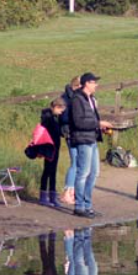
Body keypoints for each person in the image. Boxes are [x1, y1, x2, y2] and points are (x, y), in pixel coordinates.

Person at [69, 72, 114, 218]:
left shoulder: (91, 99)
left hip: (92, 139)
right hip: (82, 139)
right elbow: (78, 122)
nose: (96, 85)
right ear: (87, 83)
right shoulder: (77, 99)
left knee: (94, 173)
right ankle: (79, 206)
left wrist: (100, 128)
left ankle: (87, 205)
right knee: (83, 173)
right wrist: (98, 123)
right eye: (94, 82)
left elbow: (90, 120)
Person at [39, 98, 66, 207]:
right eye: (61, 110)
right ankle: (43, 196)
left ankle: (52, 196)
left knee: (53, 171)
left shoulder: (55, 117)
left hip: (55, 147)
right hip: (49, 147)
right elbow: (45, 132)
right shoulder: (48, 117)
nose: (62, 112)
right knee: (47, 171)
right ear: (56, 107)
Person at [60, 76, 82, 204]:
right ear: (77, 86)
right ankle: (66, 192)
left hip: (75, 132)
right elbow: (64, 117)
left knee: (78, 162)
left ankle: (71, 191)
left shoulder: (74, 97)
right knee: (75, 162)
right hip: (70, 133)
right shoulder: (66, 98)